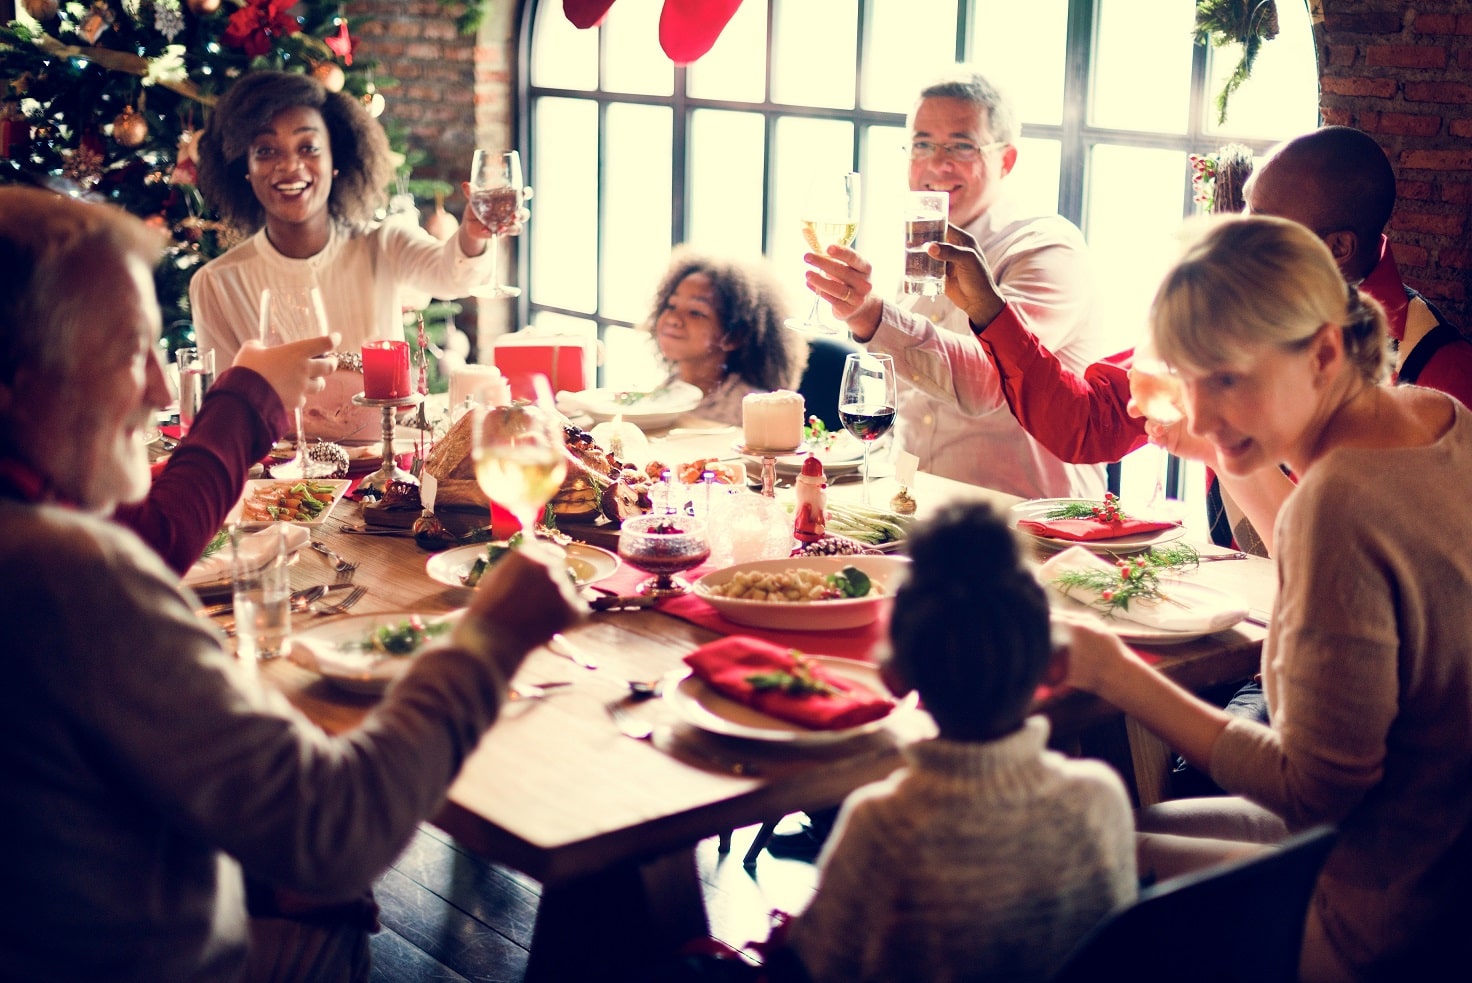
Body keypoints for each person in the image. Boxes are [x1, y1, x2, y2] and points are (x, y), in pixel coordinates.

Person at [0, 186, 584, 980]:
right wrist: (490, 637)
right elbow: (335, 830)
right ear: (17, 385)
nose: (162, 394)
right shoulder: (69, 574)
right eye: (128, 353)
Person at [1058, 214, 1472, 979]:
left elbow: (1311, 792)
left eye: (1228, 377)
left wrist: (1115, 673)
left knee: (1074, 864)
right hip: (1438, 867)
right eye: (1190, 377)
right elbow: (1333, 571)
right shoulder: (1438, 419)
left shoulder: (1338, 499)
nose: (1203, 410)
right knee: (1120, 828)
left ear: (1320, 351)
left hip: (1378, 922)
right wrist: (1226, 451)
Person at [952, 126, 1472, 555]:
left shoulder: (1442, 377)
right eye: (1244, 208)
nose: (1236, 230)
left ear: (1336, 248)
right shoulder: (1230, 315)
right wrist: (989, 308)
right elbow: (1085, 424)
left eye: (1261, 220)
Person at [772, 501, 1135, 982]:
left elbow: (815, 967)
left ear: (894, 677)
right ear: (1056, 665)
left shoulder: (882, 824)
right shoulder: (1098, 800)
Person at [801, 68, 1106, 500]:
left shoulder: (1046, 249)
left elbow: (987, 382)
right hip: (913, 504)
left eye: (962, 146)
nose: (936, 163)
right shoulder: (918, 238)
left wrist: (868, 314)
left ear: (1007, 159)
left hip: (1026, 519)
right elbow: (910, 397)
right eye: (922, 143)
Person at [190, 70, 515, 442]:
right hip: (283, 484)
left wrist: (474, 233)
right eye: (266, 151)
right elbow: (225, 413)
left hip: (388, 472)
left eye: (308, 147)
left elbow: (453, 276)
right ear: (243, 169)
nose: (290, 165)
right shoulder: (216, 283)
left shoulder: (385, 242)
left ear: (337, 158)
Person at [646, 247, 808, 426]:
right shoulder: (669, 387)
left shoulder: (752, 409)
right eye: (671, 305)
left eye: (695, 312)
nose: (673, 319)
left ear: (733, 337)